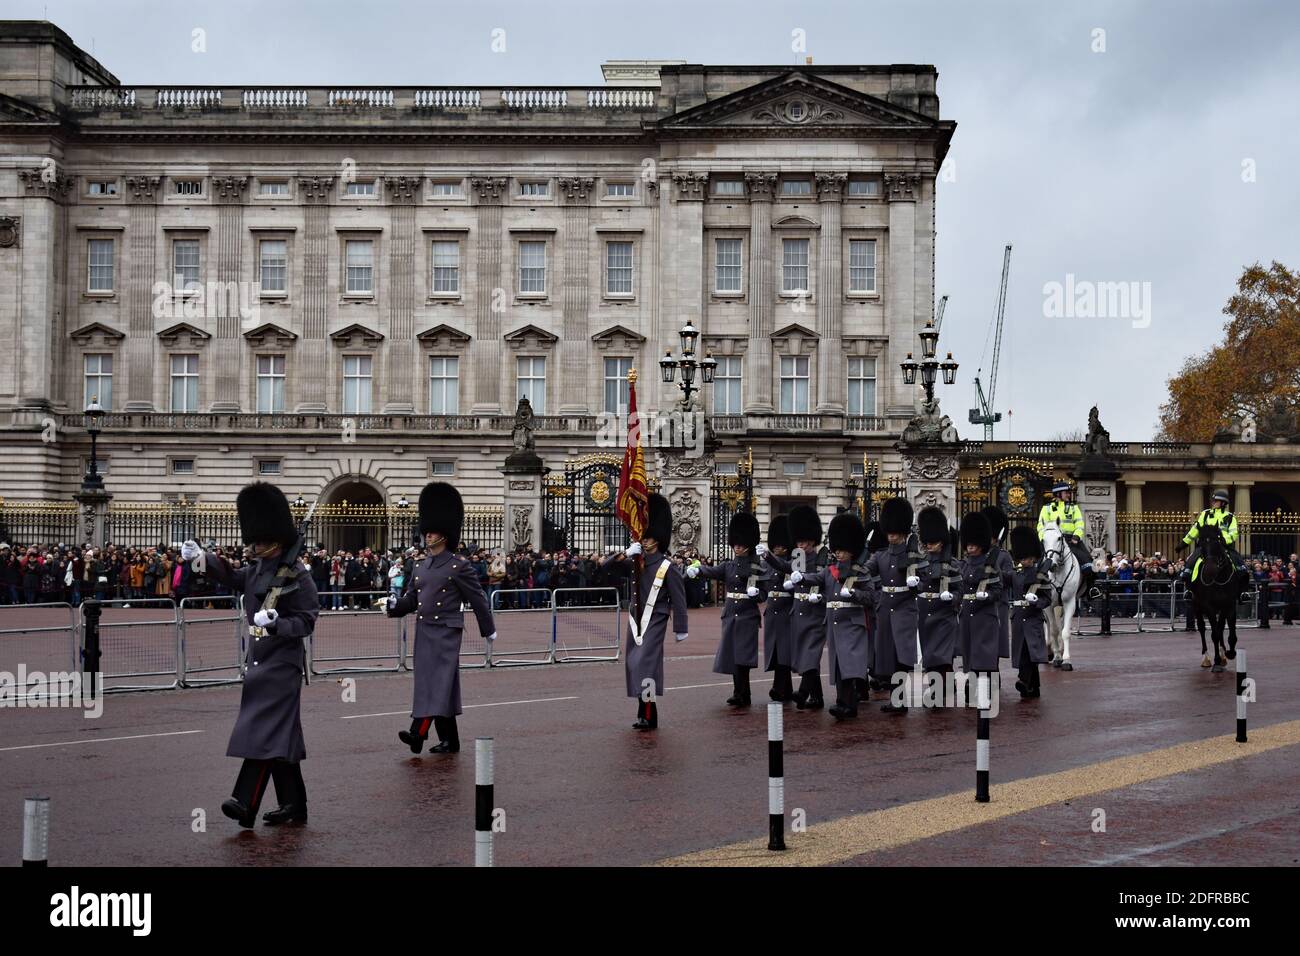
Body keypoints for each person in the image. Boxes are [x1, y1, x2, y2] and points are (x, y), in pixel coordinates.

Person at [182, 482, 318, 828]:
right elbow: (233, 577)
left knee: (263, 733)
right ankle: (294, 805)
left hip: (282, 667)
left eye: (259, 540)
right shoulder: (259, 568)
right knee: (277, 737)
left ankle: (245, 803)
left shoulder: (298, 575)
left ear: (275, 540)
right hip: (259, 662)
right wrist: (202, 560)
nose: (254, 546)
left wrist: (276, 624)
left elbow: (306, 620)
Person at [386, 482, 497, 755]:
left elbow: (478, 597)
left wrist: (488, 628)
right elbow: (412, 599)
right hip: (425, 630)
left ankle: (417, 734)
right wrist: (394, 605)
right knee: (434, 683)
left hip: (447, 630)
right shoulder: (421, 566)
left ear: (444, 535)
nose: (427, 535)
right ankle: (450, 740)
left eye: (432, 531)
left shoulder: (459, 565)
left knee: (436, 681)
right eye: (427, 530)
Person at [613, 493, 689, 731]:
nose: (645, 542)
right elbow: (605, 569)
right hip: (635, 621)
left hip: (655, 621)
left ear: (657, 540)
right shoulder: (636, 560)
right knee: (634, 665)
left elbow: (679, 599)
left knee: (645, 665)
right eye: (643, 538)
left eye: (648, 538)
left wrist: (680, 628)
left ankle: (648, 715)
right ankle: (643, 710)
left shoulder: (667, 567)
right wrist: (626, 553)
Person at [688, 511, 766, 708]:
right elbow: (712, 571)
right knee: (732, 654)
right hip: (731, 614)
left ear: (747, 545)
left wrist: (756, 593)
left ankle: (744, 693)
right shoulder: (728, 566)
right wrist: (697, 570)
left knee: (743, 656)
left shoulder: (757, 567)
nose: (737, 548)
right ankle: (737, 692)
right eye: (735, 544)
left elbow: (763, 595)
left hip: (748, 615)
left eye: (740, 545)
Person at [799, 511, 873, 720]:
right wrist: (800, 578)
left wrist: (854, 594)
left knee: (850, 664)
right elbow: (814, 578)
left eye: (843, 550)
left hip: (852, 622)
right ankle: (843, 703)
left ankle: (850, 704)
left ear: (852, 550)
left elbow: (871, 597)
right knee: (839, 665)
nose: (839, 554)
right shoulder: (830, 570)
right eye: (837, 550)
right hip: (835, 623)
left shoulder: (861, 571)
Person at [865, 497, 923, 713]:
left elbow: (927, 578)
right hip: (885, 611)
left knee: (902, 657)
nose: (892, 535)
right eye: (890, 531)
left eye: (895, 532)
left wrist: (917, 582)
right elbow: (865, 572)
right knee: (888, 656)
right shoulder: (880, 555)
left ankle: (900, 701)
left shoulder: (912, 555)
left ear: (903, 532)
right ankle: (895, 699)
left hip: (904, 610)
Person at [773, 504, 828, 711]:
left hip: (816, 612)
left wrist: (820, 597)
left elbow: (829, 584)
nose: (800, 545)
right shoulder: (797, 558)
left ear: (812, 541)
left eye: (803, 542)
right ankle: (817, 697)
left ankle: (803, 692)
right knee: (807, 654)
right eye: (798, 541)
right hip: (799, 612)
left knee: (811, 653)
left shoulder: (823, 558)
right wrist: (769, 557)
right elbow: (784, 568)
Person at [958, 511, 1004, 687]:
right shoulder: (964, 564)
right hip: (967, 613)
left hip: (985, 615)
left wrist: (988, 595)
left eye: (974, 543)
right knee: (969, 652)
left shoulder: (991, 564)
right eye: (968, 543)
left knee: (983, 653)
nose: (970, 546)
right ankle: (972, 684)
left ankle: (986, 688)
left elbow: (998, 589)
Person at [915, 507, 961, 675]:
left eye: (932, 542)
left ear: (941, 542)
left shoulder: (953, 564)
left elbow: (959, 591)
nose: (929, 545)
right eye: (927, 542)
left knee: (942, 656)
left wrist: (952, 597)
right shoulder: (921, 562)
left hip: (943, 613)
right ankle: (941, 691)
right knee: (930, 657)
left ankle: (940, 693)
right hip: (925, 613)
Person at [1176, 489, 1250, 589]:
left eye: (1216, 501)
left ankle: (1243, 591)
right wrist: (1184, 543)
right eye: (1213, 500)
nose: (1213, 502)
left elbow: (1234, 533)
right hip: (1206, 545)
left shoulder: (1230, 517)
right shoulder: (1205, 514)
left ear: (1223, 503)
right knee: (1192, 560)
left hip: (1224, 546)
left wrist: (1224, 539)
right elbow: (1196, 529)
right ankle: (1189, 589)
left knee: (1239, 563)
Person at [756, 514, 795, 702]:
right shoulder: (765, 565)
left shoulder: (794, 563)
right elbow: (763, 591)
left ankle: (778, 687)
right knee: (776, 652)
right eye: (776, 545)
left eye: (782, 545)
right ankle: (785, 689)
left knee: (784, 651)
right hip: (772, 611)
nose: (779, 548)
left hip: (788, 612)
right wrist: (757, 594)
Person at [1009, 525, 1050, 699]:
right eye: (1022, 558)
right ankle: (1034, 687)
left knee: (1029, 651)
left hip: (1032, 617)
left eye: (1026, 558)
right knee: (1025, 653)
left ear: (1033, 558)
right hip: (1019, 617)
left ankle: (1023, 681)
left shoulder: (1040, 575)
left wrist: (1037, 602)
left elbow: (1047, 598)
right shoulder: (1016, 574)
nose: (1024, 561)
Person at [979, 505, 1016, 669]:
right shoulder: (979, 555)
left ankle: (994, 672)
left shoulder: (1003, 556)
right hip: (980, 603)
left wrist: (996, 571)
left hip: (998, 603)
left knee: (994, 641)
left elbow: (1010, 577)